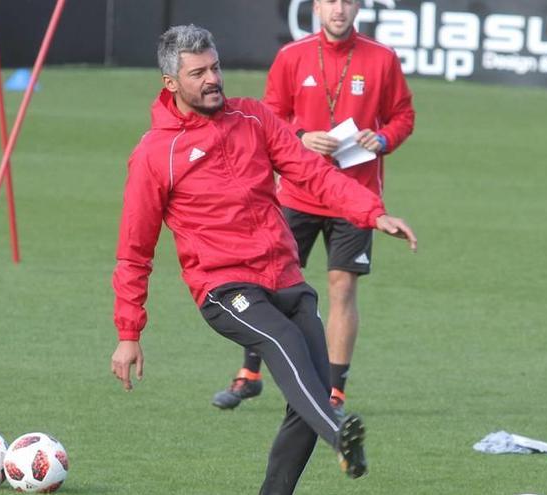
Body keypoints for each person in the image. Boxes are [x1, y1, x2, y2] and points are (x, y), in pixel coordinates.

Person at [110, 24, 417, 495]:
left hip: (284, 275)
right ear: (171, 83)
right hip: (224, 287)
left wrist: (372, 213)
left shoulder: (253, 118)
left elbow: (312, 172)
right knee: (285, 343)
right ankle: (337, 434)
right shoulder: (155, 154)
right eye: (198, 73)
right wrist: (128, 333)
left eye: (215, 67)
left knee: (306, 393)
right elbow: (134, 252)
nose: (213, 79)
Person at [212, 0, 415, 415]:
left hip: (354, 196)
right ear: (316, 6)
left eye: (347, 1)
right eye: (330, 1)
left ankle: (334, 392)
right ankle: (250, 374)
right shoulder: (292, 56)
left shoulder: (382, 59)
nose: (338, 9)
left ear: (359, 5)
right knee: (268, 282)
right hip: (296, 193)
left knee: (343, 288)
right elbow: (269, 115)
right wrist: (302, 136)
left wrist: (383, 139)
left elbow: (402, 115)